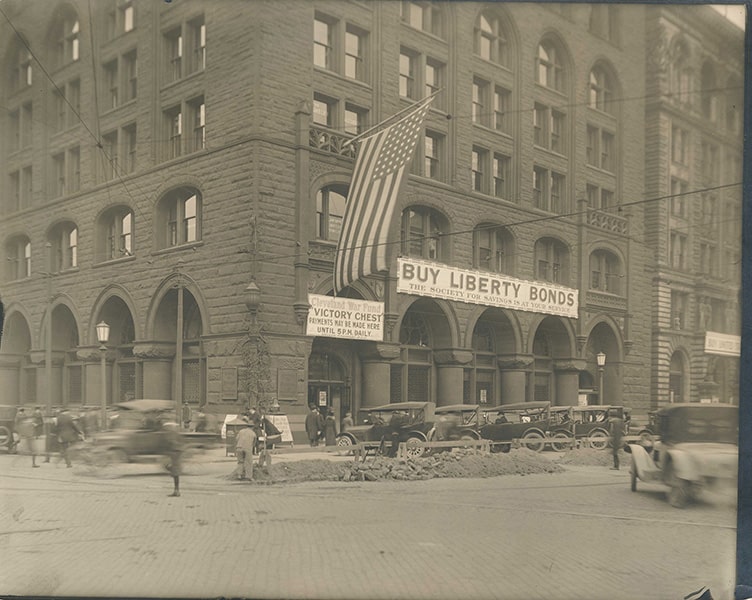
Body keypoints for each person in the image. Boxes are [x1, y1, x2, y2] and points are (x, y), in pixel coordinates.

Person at [162, 420, 184, 497]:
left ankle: (176, 491)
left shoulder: (172, 434)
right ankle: (176, 490)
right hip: (175, 453)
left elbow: (172, 443)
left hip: (175, 454)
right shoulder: (174, 434)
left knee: (175, 472)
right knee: (174, 472)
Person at [234, 416, 257, 481]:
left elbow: (236, 439)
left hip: (239, 447)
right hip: (247, 448)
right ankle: (249, 476)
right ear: (252, 427)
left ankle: (239, 475)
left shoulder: (241, 431)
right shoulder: (253, 433)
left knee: (240, 462)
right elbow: (254, 443)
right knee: (248, 462)